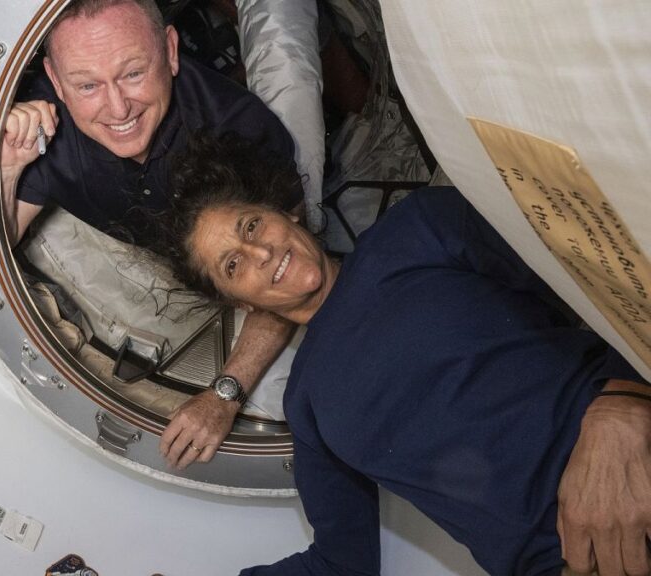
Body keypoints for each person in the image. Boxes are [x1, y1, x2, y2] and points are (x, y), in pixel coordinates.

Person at [153, 133, 651, 576]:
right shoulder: (306, 404)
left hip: (630, 450)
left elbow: (604, 274)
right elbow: (341, 563)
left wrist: (622, 405)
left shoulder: (417, 228)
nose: (261, 254)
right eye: (234, 264)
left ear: (286, 212)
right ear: (240, 302)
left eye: (251, 226)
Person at [0, 0, 306, 468]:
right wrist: (8, 167)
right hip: (143, 251)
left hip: (239, 260)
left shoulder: (239, 129)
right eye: (87, 85)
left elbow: (289, 271)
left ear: (170, 50)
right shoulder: (44, 126)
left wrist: (226, 394)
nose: (117, 107)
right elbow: (2, 239)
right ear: (56, 81)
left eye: (133, 73)